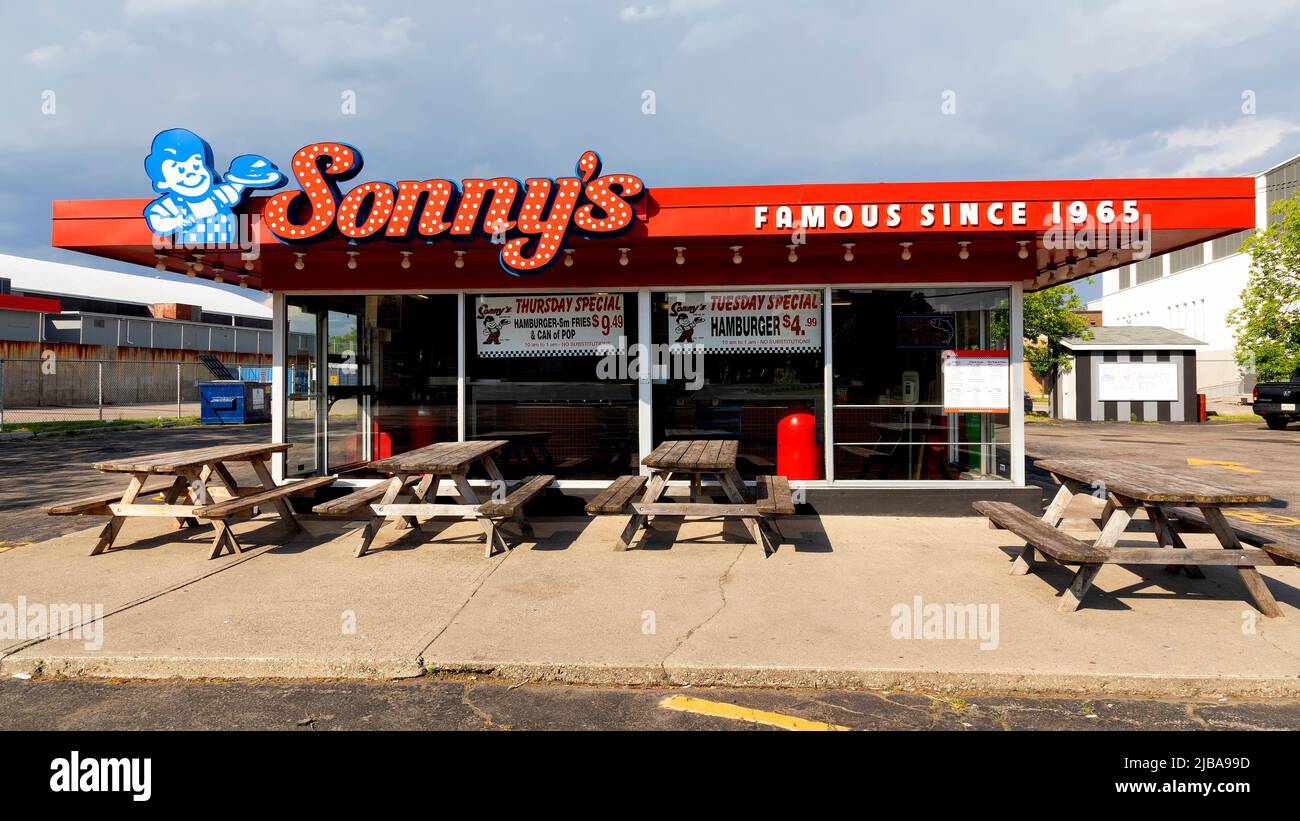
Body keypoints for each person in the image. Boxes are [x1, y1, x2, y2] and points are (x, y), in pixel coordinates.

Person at [143, 128, 282, 246]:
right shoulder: (169, 205)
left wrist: (252, 174)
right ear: (162, 182)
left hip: (227, 243)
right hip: (195, 247)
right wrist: (177, 221)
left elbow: (237, 186)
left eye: (196, 165)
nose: (191, 173)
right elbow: (157, 220)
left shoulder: (218, 194)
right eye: (179, 169)